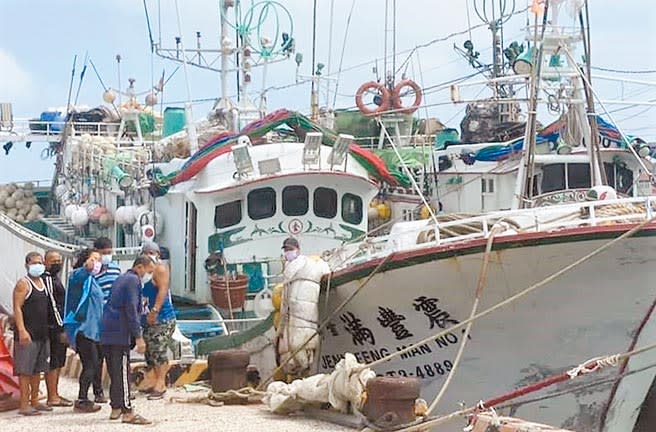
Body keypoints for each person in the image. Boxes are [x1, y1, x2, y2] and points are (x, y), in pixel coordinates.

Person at [101, 255, 154, 425]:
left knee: (114, 371)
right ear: (140, 267)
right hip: (120, 332)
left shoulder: (121, 278)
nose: (148, 275)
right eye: (148, 271)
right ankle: (127, 410)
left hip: (108, 330)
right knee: (123, 371)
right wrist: (138, 336)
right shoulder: (133, 281)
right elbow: (131, 308)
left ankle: (115, 406)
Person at [63, 249, 105, 413]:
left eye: (99, 260)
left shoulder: (93, 281)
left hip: (94, 331)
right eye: (94, 259)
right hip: (82, 330)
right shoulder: (78, 277)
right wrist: (86, 267)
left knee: (94, 365)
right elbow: (79, 275)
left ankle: (86, 397)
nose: (97, 262)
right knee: (90, 365)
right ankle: (82, 399)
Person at [12, 251, 53, 416]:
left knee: (38, 369)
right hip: (27, 334)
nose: (38, 266)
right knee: (25, 370)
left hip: (42, 333)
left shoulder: (43, 283)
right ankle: (24, 404)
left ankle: (35, 400)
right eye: (35, 263)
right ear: (27, 265)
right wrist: (21, 330)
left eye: (40, 262)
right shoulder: (23, 284)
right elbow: (17, 307)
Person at [140, 242, 176, 400]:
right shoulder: (144, 271)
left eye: (151, 252)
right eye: (146, 252)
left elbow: (163, 290)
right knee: (150, 352)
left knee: (159, 351)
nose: (149, 254)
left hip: (161, 317)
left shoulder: (160, 269)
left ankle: (161, 383)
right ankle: (154, 380)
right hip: (147, 317)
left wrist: (155, 310)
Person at [43, 250, 73, 407]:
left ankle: (55, 393)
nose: (57, 264)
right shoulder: (48, 279)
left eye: (59, 261)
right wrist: (62, 327)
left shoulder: (55, 278)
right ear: (45, 262)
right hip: (54, 327)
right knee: (54, 362)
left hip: (58, 325)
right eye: (53, 261)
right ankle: (52, 396)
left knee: (59, 361)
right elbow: (54, 305)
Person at [93, 237, 122, 305]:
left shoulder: (116, 269)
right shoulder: (92, 271)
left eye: (109, 253)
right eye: (103, 253)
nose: (106, 256)